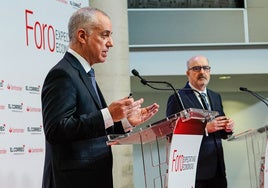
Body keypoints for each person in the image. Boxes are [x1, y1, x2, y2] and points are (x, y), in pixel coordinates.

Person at [41, 7, 159, 188]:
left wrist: (126, 122)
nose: (110, 43)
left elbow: (93, 131)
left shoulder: (85, 73)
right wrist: (108, 115)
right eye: (104, 35)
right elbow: (57, 130)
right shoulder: (63, 74)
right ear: (82, 36)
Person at [166, 55, 234, 188]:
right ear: (188, 73)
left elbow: (220, 130)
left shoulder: (215, 96)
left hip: (218, 170)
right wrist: (204, 129)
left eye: (205, 68)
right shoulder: (177, 97)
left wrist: (227, 128)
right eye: (196, 68)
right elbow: (171, 134)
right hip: (194, 171)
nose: (202, 72)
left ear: (210, 71)